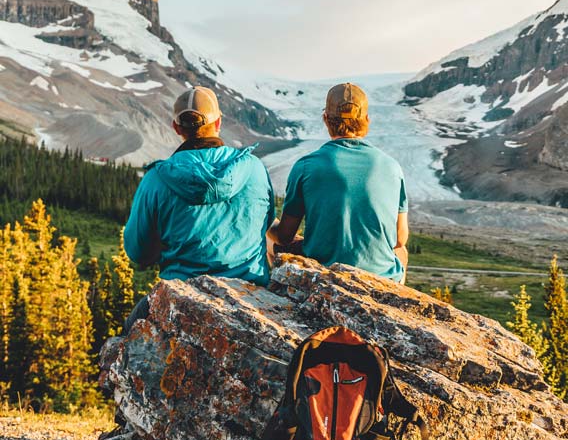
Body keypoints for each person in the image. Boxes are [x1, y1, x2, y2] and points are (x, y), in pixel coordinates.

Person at [122, 86, 275, 331]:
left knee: (127, 335)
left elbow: (138, 252)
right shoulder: (254, 168)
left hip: (181, 297)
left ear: (177, 128)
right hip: (251, 295)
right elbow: (266, 224)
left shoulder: (156, 179)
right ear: (219, 122)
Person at [268, 82, 409, 283]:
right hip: (381, 278)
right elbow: (399, 239)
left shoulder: (306, 166)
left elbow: (284, 237)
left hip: (323, 274)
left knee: (271, 242)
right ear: (367, 119)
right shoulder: (392, 167)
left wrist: (266, 221)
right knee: (402, 252)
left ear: (326, 119)